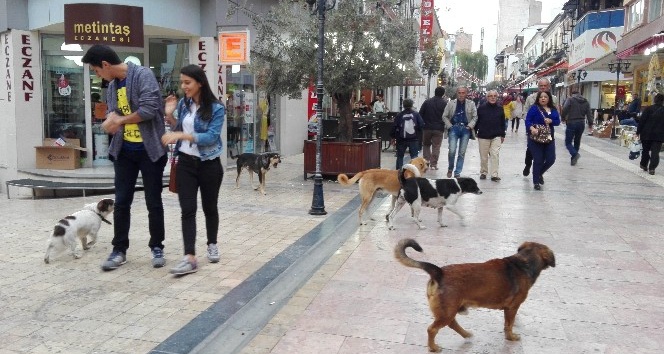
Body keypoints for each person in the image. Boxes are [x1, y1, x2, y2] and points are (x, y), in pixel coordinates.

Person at [82, 44, 168, 271]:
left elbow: (150, 109)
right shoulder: (112, 86)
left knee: (153, 201)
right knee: (121, 203)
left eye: (96, 70)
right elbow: (114, 111)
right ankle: (119, 250)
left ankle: (157, 246)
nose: (97, 74)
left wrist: (119, 120)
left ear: (106, 65)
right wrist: (111, 119)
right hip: (125, 152)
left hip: (150, 151)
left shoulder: (143, 75)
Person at [162, 65, 225, 275]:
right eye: (182, 82)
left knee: (210, 207)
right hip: (186, 164)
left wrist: (181, 136)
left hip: (209, 164)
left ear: (200, 83)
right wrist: (170, 116)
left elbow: (211, 137)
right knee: (187, 210)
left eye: (187, 82)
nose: (183, 86)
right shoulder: (184, 104)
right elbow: (179, 130)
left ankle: (212, 243)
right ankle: (189, 257)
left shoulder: (216, 108)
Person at [522, 79, 560, 177]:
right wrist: (530, 126)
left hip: (546, 131)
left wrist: (551, 120)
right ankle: (528, 165)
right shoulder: (531, 98)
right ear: (538, 86)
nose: (543, 87)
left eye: (545, 86)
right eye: (541, 86)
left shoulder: (554, 99)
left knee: (543, 154)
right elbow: (525, 113)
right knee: (530, 150)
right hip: (533, 130)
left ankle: (539, 173)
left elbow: (555, 114)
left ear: (549, 86)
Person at [442, 86, 478, 178]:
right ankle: (450, 168)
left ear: (466, 93)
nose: (461, 95)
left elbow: (475, 116)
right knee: (452, 150)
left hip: (465, 129)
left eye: (463, 93)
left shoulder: (471, 104)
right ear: (457, 93)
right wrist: (450, 126)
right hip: (454, 128)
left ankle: (457, 171)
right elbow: (444, 116)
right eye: (459, 93)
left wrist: (470, 126)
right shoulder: (451, 103)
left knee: (462, 152)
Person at [475, 90, 506, 181]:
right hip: (483, 135)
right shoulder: (481, 108)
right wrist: (475, 131)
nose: (492, 97)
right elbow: (477, 121)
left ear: (497, 97)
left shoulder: (500, 108)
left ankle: (494, 174)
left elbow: (502, 122)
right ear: (487, 97)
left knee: (495, 155)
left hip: (496, 135)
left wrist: (502, 135)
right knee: (483, 156)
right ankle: (484, 172)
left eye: (494, 96)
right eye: (490, 96)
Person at [419, 86, 448, 170]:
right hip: (439, 128)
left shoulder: (427, 102)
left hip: (427, 127)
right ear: (443, 94)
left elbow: (420, 114)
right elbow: (447, 116)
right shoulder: (445, 103)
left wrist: (423, 123)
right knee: (436, 146)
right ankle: (434, 164)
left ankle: (426, 162)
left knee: (426, 145)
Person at [391, 98, 424, 169]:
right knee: (414, 157)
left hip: (401, 139)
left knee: (400, 156)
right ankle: (414, 171)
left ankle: (399, 172)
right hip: (414, 139)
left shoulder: (399, 115)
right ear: (412, 105)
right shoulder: (416, 114)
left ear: (403, 105)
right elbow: (421, 125)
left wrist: (393, 137)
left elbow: (394, 126)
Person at [562, 90, 592, 166]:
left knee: (568, 142)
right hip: (581, 123)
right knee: (577, 141)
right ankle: (573, 159)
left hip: (571, 122)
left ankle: (575, 154)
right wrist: (590, 124)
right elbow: (589, 113)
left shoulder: (570, 100)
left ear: (572, 94)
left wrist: (562, 117)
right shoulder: (586, 101)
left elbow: (565, 109)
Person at [636, 93, 664, 175]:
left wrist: (638, 132)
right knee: (655, 152)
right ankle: (652, 168)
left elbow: (642, 121)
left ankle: (644, 164)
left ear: (655, 100)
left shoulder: (648, 109)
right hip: (658, 135)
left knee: (645, 150)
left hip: (646, 134)